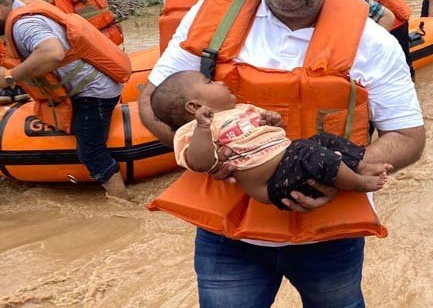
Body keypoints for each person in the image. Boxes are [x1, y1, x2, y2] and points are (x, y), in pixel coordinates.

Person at [139, 0, 424, 308]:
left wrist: (337, 177)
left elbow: (408, 136)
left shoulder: (373, 43)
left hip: (327, 232)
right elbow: (151, 102)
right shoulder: (211, 22)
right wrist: (209, 156)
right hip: (227, 237)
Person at [151, 70, 392, 208]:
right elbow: (200, 163)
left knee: (324, 139)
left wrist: (273, 122)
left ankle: (360, 165)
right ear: (194, 106)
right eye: (210, 82)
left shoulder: (243, 109)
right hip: (269, 183)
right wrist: (203, 128)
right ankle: (359, 184)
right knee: (307, 150)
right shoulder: (194, 129)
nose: (221, 81)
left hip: (288, 161)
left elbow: (277, 134)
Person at [0, 0, 130, 200]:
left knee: (90, 151)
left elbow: (52, 52)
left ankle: (123, 202)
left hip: (94, 92)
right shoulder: (24, 6)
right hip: (88, 87)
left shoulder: (24, 25)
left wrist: (11, 77)